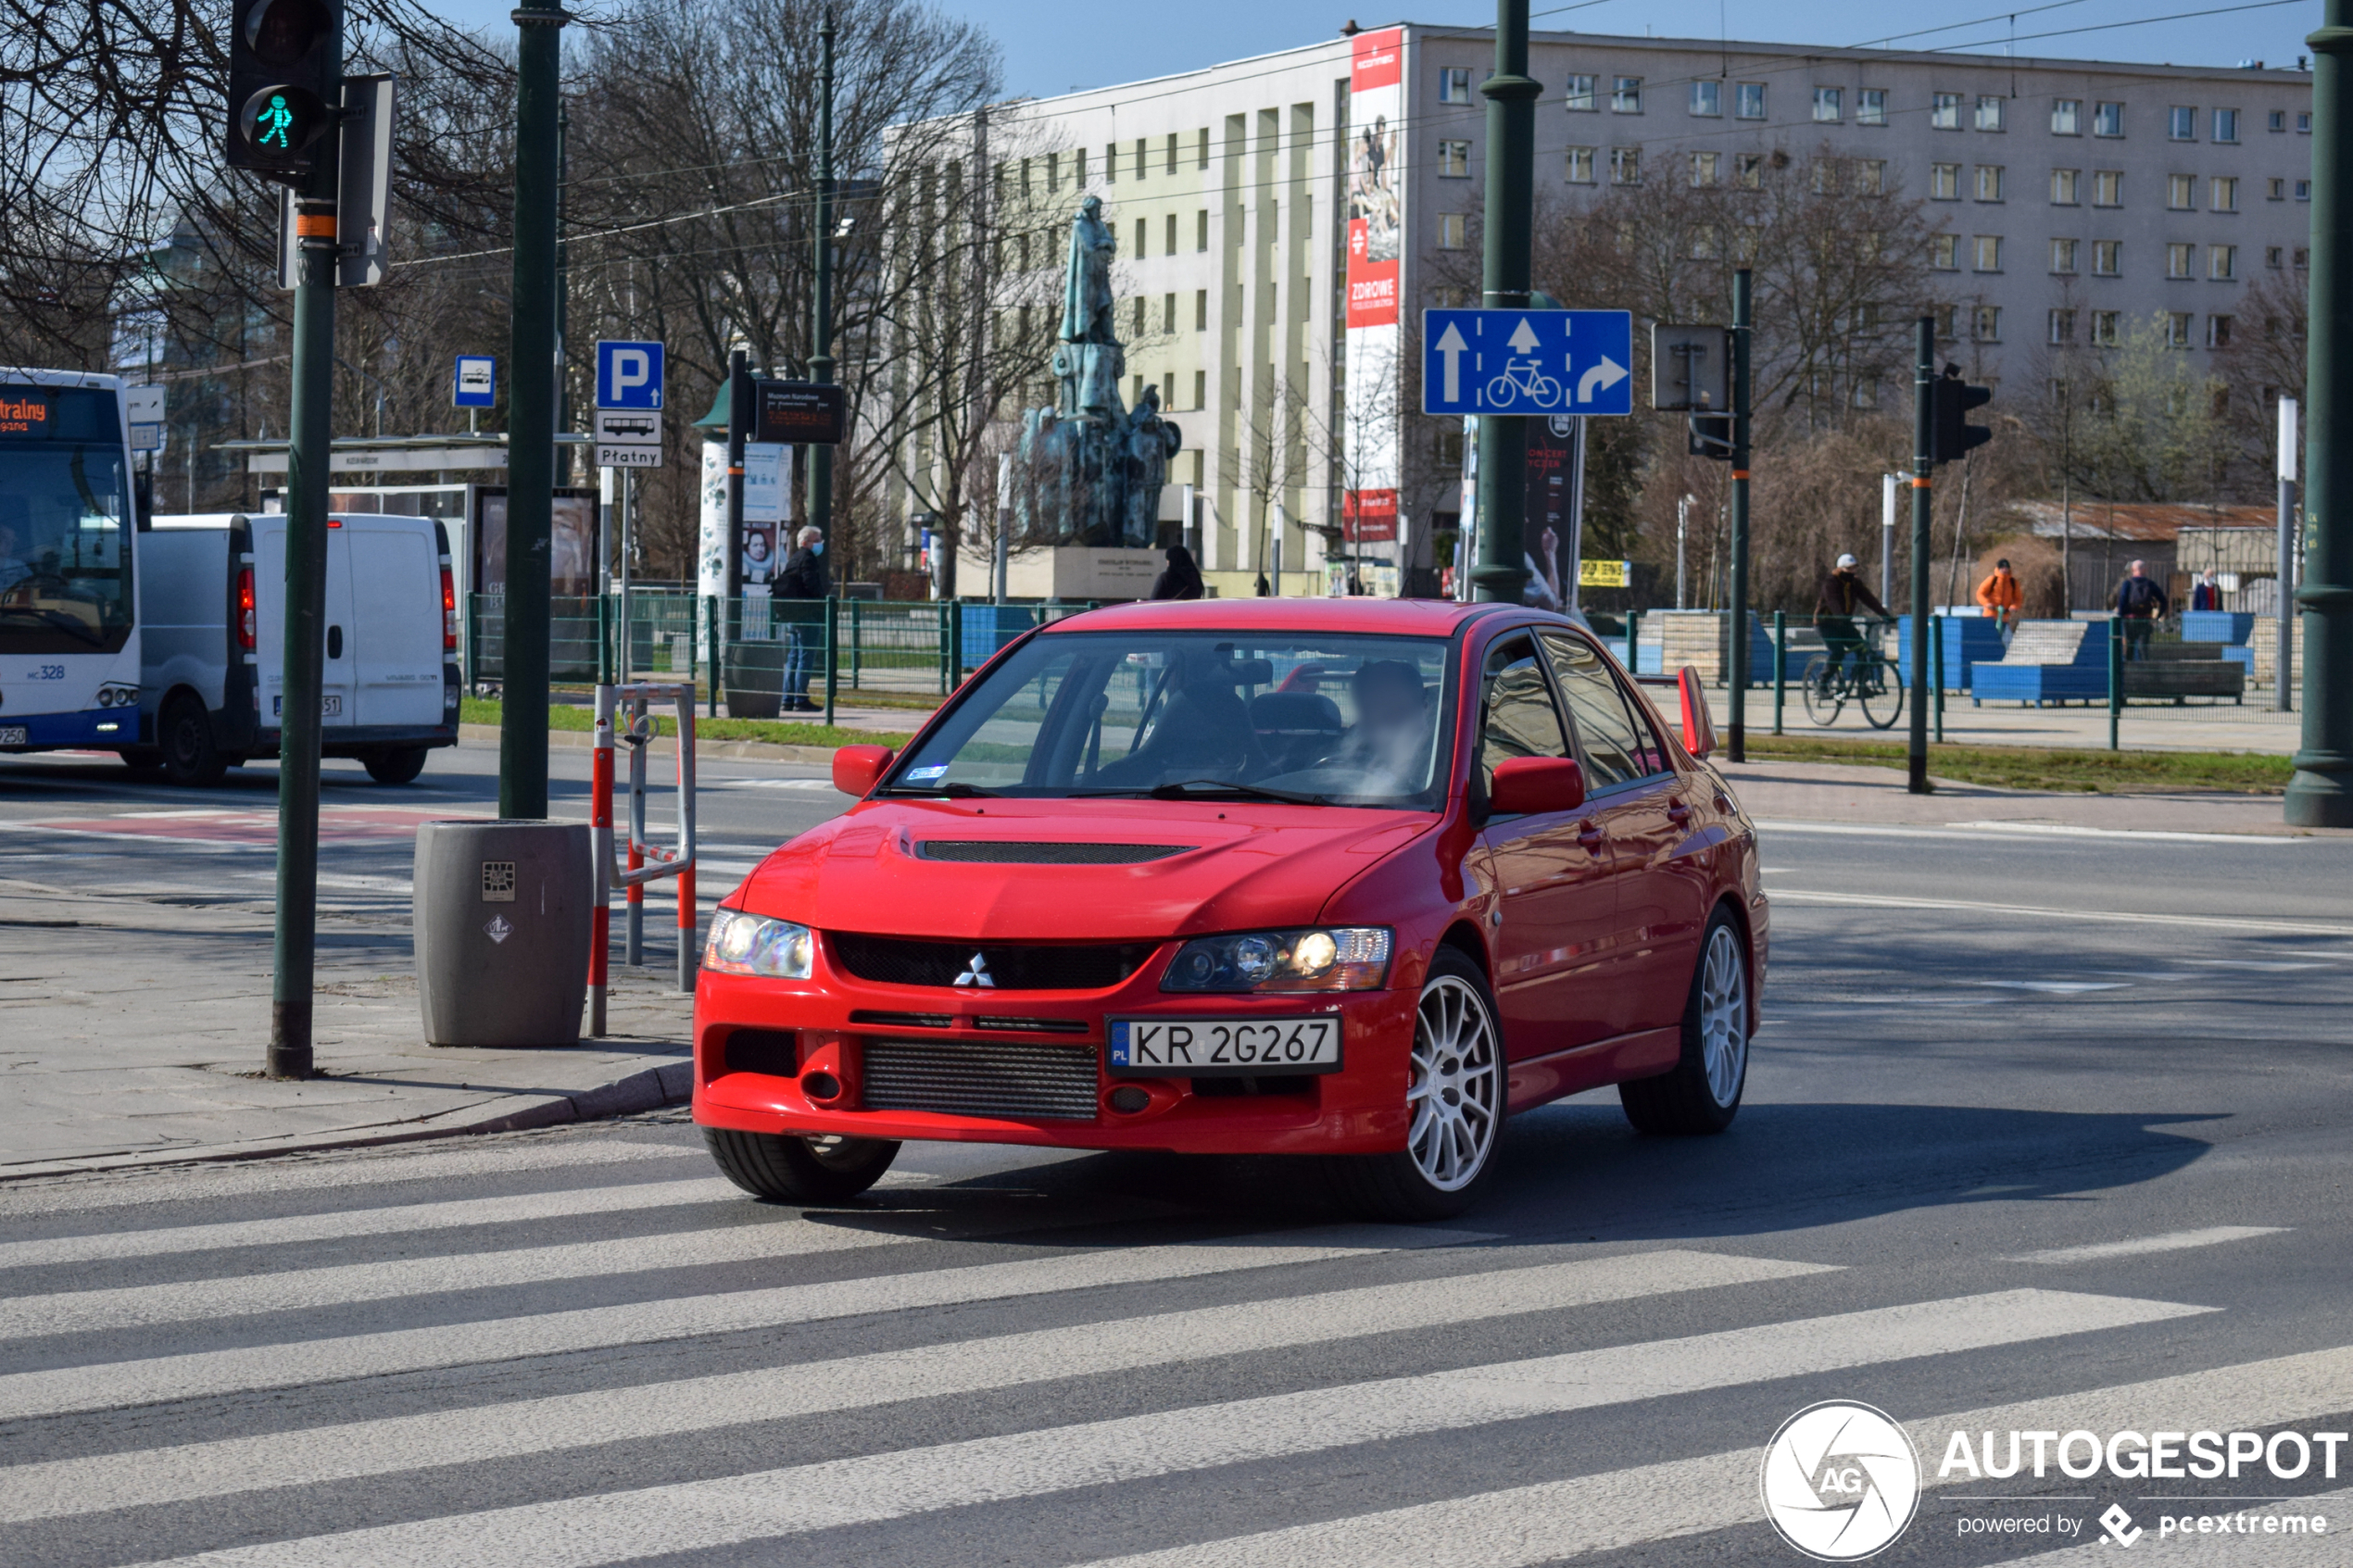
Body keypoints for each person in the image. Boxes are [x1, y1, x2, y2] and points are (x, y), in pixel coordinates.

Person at [1815, 552, 1891, 693]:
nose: (1852, 571)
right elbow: (1832, 601)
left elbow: (1869, 599)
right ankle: (1822, 682)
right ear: (1841, 569)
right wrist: (1840, 616)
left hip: (1844, 623)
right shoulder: (1831, 582)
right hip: (1825, 624)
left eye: (1854, 568)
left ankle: (1861, 684)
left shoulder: (1855, 583)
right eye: (1849, 569)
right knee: (1838, 652)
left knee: (1863, 649)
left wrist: (1885, 616)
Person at [774, 525, 827, 712]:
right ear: (806, 543)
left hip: (792, 614)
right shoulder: (808, 559)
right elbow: (810, 583)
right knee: (806, 657)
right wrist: (822, 597)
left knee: (793, 657)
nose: (821, 544)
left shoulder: (794, 559)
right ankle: (800, 698)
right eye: (817, 540)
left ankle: (787, 698)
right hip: (807, 615)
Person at [2115, 558, 2168, 661]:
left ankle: (2129, 668)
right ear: (2145, 570)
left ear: (2132, 569)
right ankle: (2144, 669)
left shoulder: (2127, 583)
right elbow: (2163, 600)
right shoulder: (2150, 584)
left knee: (2129, 644)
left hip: (2129, 619)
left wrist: (2121, 615)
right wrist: (2157, 617)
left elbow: (2122, 600)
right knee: (2143, 646)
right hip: (2145, 619)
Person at [1975, 558, 2023, 638]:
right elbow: (1980, 594)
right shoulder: (1992, 580)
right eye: (2002, 567)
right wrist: (1987, 604)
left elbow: (2018, 599)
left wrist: (2014, 607)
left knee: (1998, 639)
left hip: (2004, 617)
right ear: (1998, 568)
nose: (2004, 570)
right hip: (1989, 616)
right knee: (1987, 638)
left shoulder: (2013, 583)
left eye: (2006, 567)